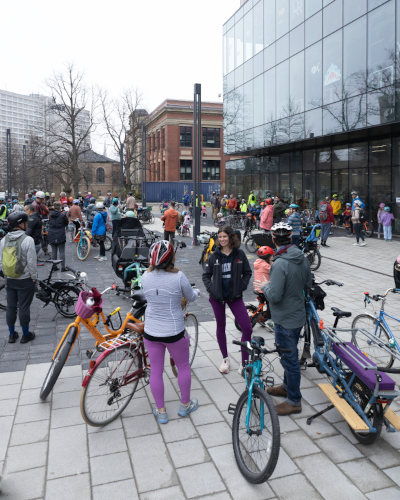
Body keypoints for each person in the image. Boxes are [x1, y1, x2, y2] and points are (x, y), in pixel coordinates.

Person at [254, 222, 312, 416]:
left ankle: (294, 400)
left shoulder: (280, 263)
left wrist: (265, 286)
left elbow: (275, 295)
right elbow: (308, 282)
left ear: (273, 240)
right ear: (290, 238)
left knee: (289, 360)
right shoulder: (301, 258)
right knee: (291, 353)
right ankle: (287, 387)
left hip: (284, 318)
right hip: (297, 315)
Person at [141, 240, 200, 423]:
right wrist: (196, 291)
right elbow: (190, 296)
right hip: (174, 331)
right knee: (183, 367)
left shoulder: (145, 276)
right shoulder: (179, 276)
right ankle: (184, 405)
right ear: (171, 258)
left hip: (151, 331)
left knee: (156, 371)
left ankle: (161, 411)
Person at [202, 225, 253, 374]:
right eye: (220, 236)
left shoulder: (240, 254)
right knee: (220, 327)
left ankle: (244, 363)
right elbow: (206, 275)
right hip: (217, 298)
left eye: (225, 236)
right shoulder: (214, 256)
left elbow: (248, 273)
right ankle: (225, 358)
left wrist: (241, 287)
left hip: (234, 297)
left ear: (231, 237)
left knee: (247, 328)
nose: (222, 239)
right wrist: (212, 289)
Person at [0, 212, 37, 343]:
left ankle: (11, 334)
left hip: (9, 279)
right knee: (23, 307)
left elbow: (1, 261)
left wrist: (6, 274)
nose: (28, 224)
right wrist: (34, 277)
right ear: (21, 224)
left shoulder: (3, 240)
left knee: (11, 306)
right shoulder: (28, 240)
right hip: (25, 280)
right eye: (27, 222)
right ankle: (25, 334)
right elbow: (31, 262)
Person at [253, 246, 274, 329]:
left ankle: (261, 318)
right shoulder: (266, 266)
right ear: (268, 257)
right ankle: (270, 321)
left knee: (262, 302)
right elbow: (274, 270)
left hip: (257, 287)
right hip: (263, 288)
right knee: (270, 305)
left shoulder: (259, 263)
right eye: (272, 255)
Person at [48, 201, 69, 270]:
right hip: (60, 233)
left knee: (54, 251)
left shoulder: (50, 215)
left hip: (51, 233)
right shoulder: (62, 215)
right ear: (60, 207)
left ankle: (54, 266)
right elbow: (66, 223)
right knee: (62, 251)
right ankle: (63, 267)